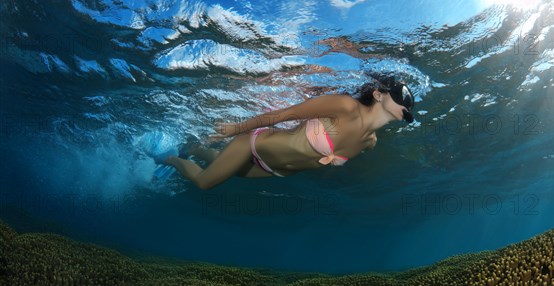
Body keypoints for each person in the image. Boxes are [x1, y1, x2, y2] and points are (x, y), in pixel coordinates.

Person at [161, 74, 415, 189]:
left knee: (219, 162)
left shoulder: (370, 142)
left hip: (273, 171)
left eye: (409, 104)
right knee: (204, 182)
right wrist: (234, 129)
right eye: (401, 96)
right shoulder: (345, 106)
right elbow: (284, 115)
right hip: (253, 145)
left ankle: (196, 148)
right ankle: (171, 158)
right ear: (378, 94)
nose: (406, 104)